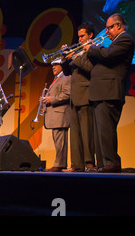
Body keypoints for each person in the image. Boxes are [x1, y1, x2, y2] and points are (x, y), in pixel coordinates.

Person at [83, 13, 135, 173]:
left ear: (118, 26)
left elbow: (108, 54)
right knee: (99, 131)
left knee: (106, 130)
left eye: (108, 28)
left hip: (110, 91)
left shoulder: (125, 38)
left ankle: (112, 163)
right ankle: (103, 164)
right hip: (101, 91)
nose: (106, 33)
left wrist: (91, 48)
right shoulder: (115, 42)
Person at [60, 22, 96, 172]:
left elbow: (89, 68)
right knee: (75, 133)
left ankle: (89, 164)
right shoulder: (79, 51)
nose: (79, 39)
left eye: (82, 36)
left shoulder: (94, 50)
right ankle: (76, 164)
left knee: (87, 132)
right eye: (79, 36)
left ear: (90, 35)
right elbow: (68, 72)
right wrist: (64, 59)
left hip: (86, 94)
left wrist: (73, 55)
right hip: (74, 96)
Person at [43, 58, 71, 172]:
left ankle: (59, 164)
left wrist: (51, 99)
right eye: (52, 65)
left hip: (60, 114)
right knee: (58, 142)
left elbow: (67, 94)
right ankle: (59, 163)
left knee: (60, 142)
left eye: (56, 64)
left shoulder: (66, 78)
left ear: (61, 66)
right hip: (54, 115)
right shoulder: (56, 79)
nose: (53, 67)